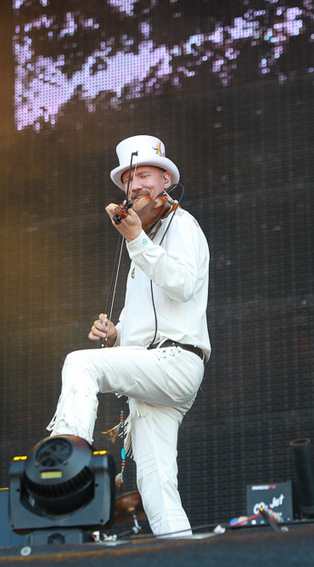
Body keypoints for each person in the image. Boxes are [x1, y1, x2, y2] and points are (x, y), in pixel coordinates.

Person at [46, 134, 211, 537]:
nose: (136, 185)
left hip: (176, 362)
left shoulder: (182, 224)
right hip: (153, 375)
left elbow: (185, 285)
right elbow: (141, 328)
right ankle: (185, 556)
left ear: (165, 181)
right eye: (129, 180)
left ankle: (69, 461)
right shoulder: (141, 244)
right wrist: (116, 335)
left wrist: (136, 239)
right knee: (156, 489)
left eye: (145, 175)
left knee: (79, 363)